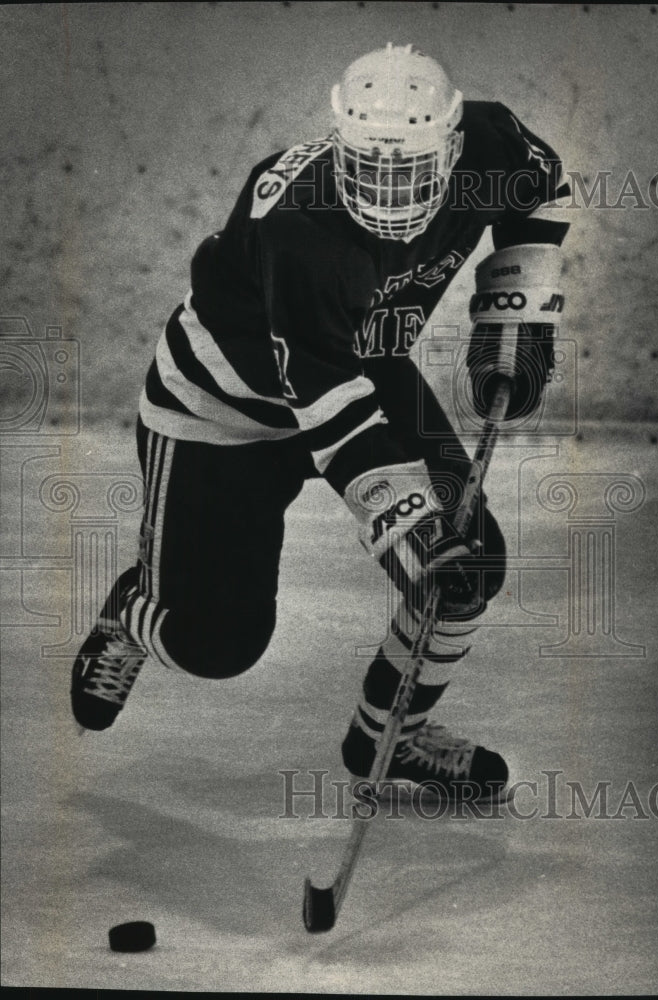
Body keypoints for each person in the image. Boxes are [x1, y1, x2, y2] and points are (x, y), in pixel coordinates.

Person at [71, 43, 570, 803]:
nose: (390, 192)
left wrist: (518, 311)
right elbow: (327, 404)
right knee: (217, 646)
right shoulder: (295, 223)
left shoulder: (493, 142)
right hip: (223, 412)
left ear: (452, 143)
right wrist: (410, 527)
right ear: (338, 144)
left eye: (410, 170)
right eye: (371, 169)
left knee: (467, 572)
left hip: (360, 367)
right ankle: (131, 613)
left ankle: (386, 736)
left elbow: (543, 193)